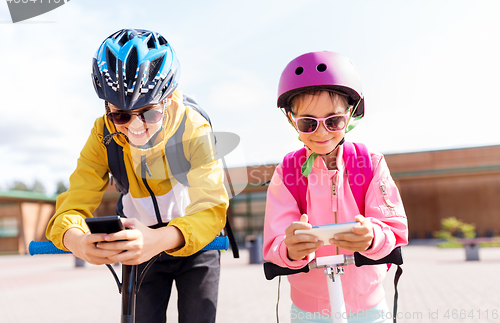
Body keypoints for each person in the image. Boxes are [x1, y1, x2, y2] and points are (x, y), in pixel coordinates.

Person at [46, 28, 228, 323]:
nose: (135, 127)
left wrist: (158, 239)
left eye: (150, 113)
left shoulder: (193, 129)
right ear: (107, 107)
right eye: (120, 115)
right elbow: (71, 206)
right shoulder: (102, 134)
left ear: (168, 100)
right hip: (137, 245)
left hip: (195, 242)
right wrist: (77, 241)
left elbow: (211, 209)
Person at [263, 51, 408, 323]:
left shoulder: (370, 163)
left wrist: (372, 236)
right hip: (309, 310)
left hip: (368, 307)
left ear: (350, 115)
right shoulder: (288, 171)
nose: (321, 132)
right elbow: (275, 242)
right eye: (307, 123)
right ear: (291, 119)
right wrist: (291, 249)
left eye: (333, 121)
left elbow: (394, 228)